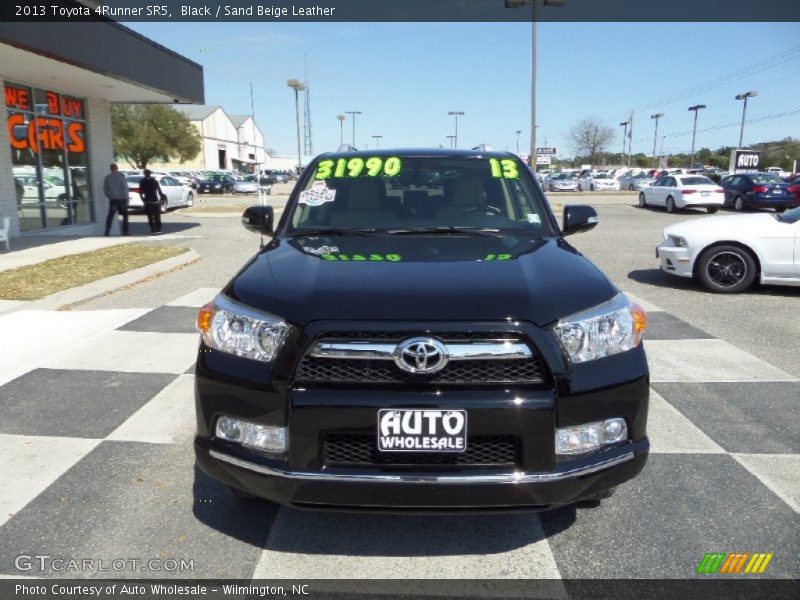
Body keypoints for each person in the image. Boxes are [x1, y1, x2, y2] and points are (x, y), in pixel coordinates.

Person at [103, 163, 129, 236]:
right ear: (117, 168)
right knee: (125, 216)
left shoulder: (107, 178)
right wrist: (127, 199)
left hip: (113, 199)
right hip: (122, 199)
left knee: (110, 215)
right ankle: (125, 231)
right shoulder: (122, 177)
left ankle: (107, 230)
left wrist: (109, 195)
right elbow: (125, 189)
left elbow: (105, 189)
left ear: (110, 169)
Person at [139, 169, 163, 235]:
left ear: (144, 174)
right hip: (155, 200)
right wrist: (161, 198)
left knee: (150, 217)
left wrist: (142, 199)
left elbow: (140, 192)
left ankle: (153, 230)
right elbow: (159, 191)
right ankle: (158, 230)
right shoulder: (155, 181)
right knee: (157, 216)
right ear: (150, 174)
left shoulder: (142, 181)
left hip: (147, 200)